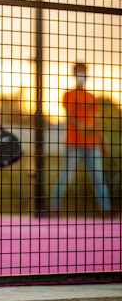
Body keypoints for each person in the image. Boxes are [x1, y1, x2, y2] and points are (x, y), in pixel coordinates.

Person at [50, 62, 111, 214]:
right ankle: (53, 208)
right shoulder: (69, 94)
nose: (81, 76)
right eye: (79, 72)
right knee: (66, 176)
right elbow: (69, 115)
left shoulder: (91, 97)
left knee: (99, 178)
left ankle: (106, 210)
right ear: (74, 73)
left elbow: (97, 121)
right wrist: (81, 126)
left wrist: (102, 142)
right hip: (73, 144)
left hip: (92, 145)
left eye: (84, 72)